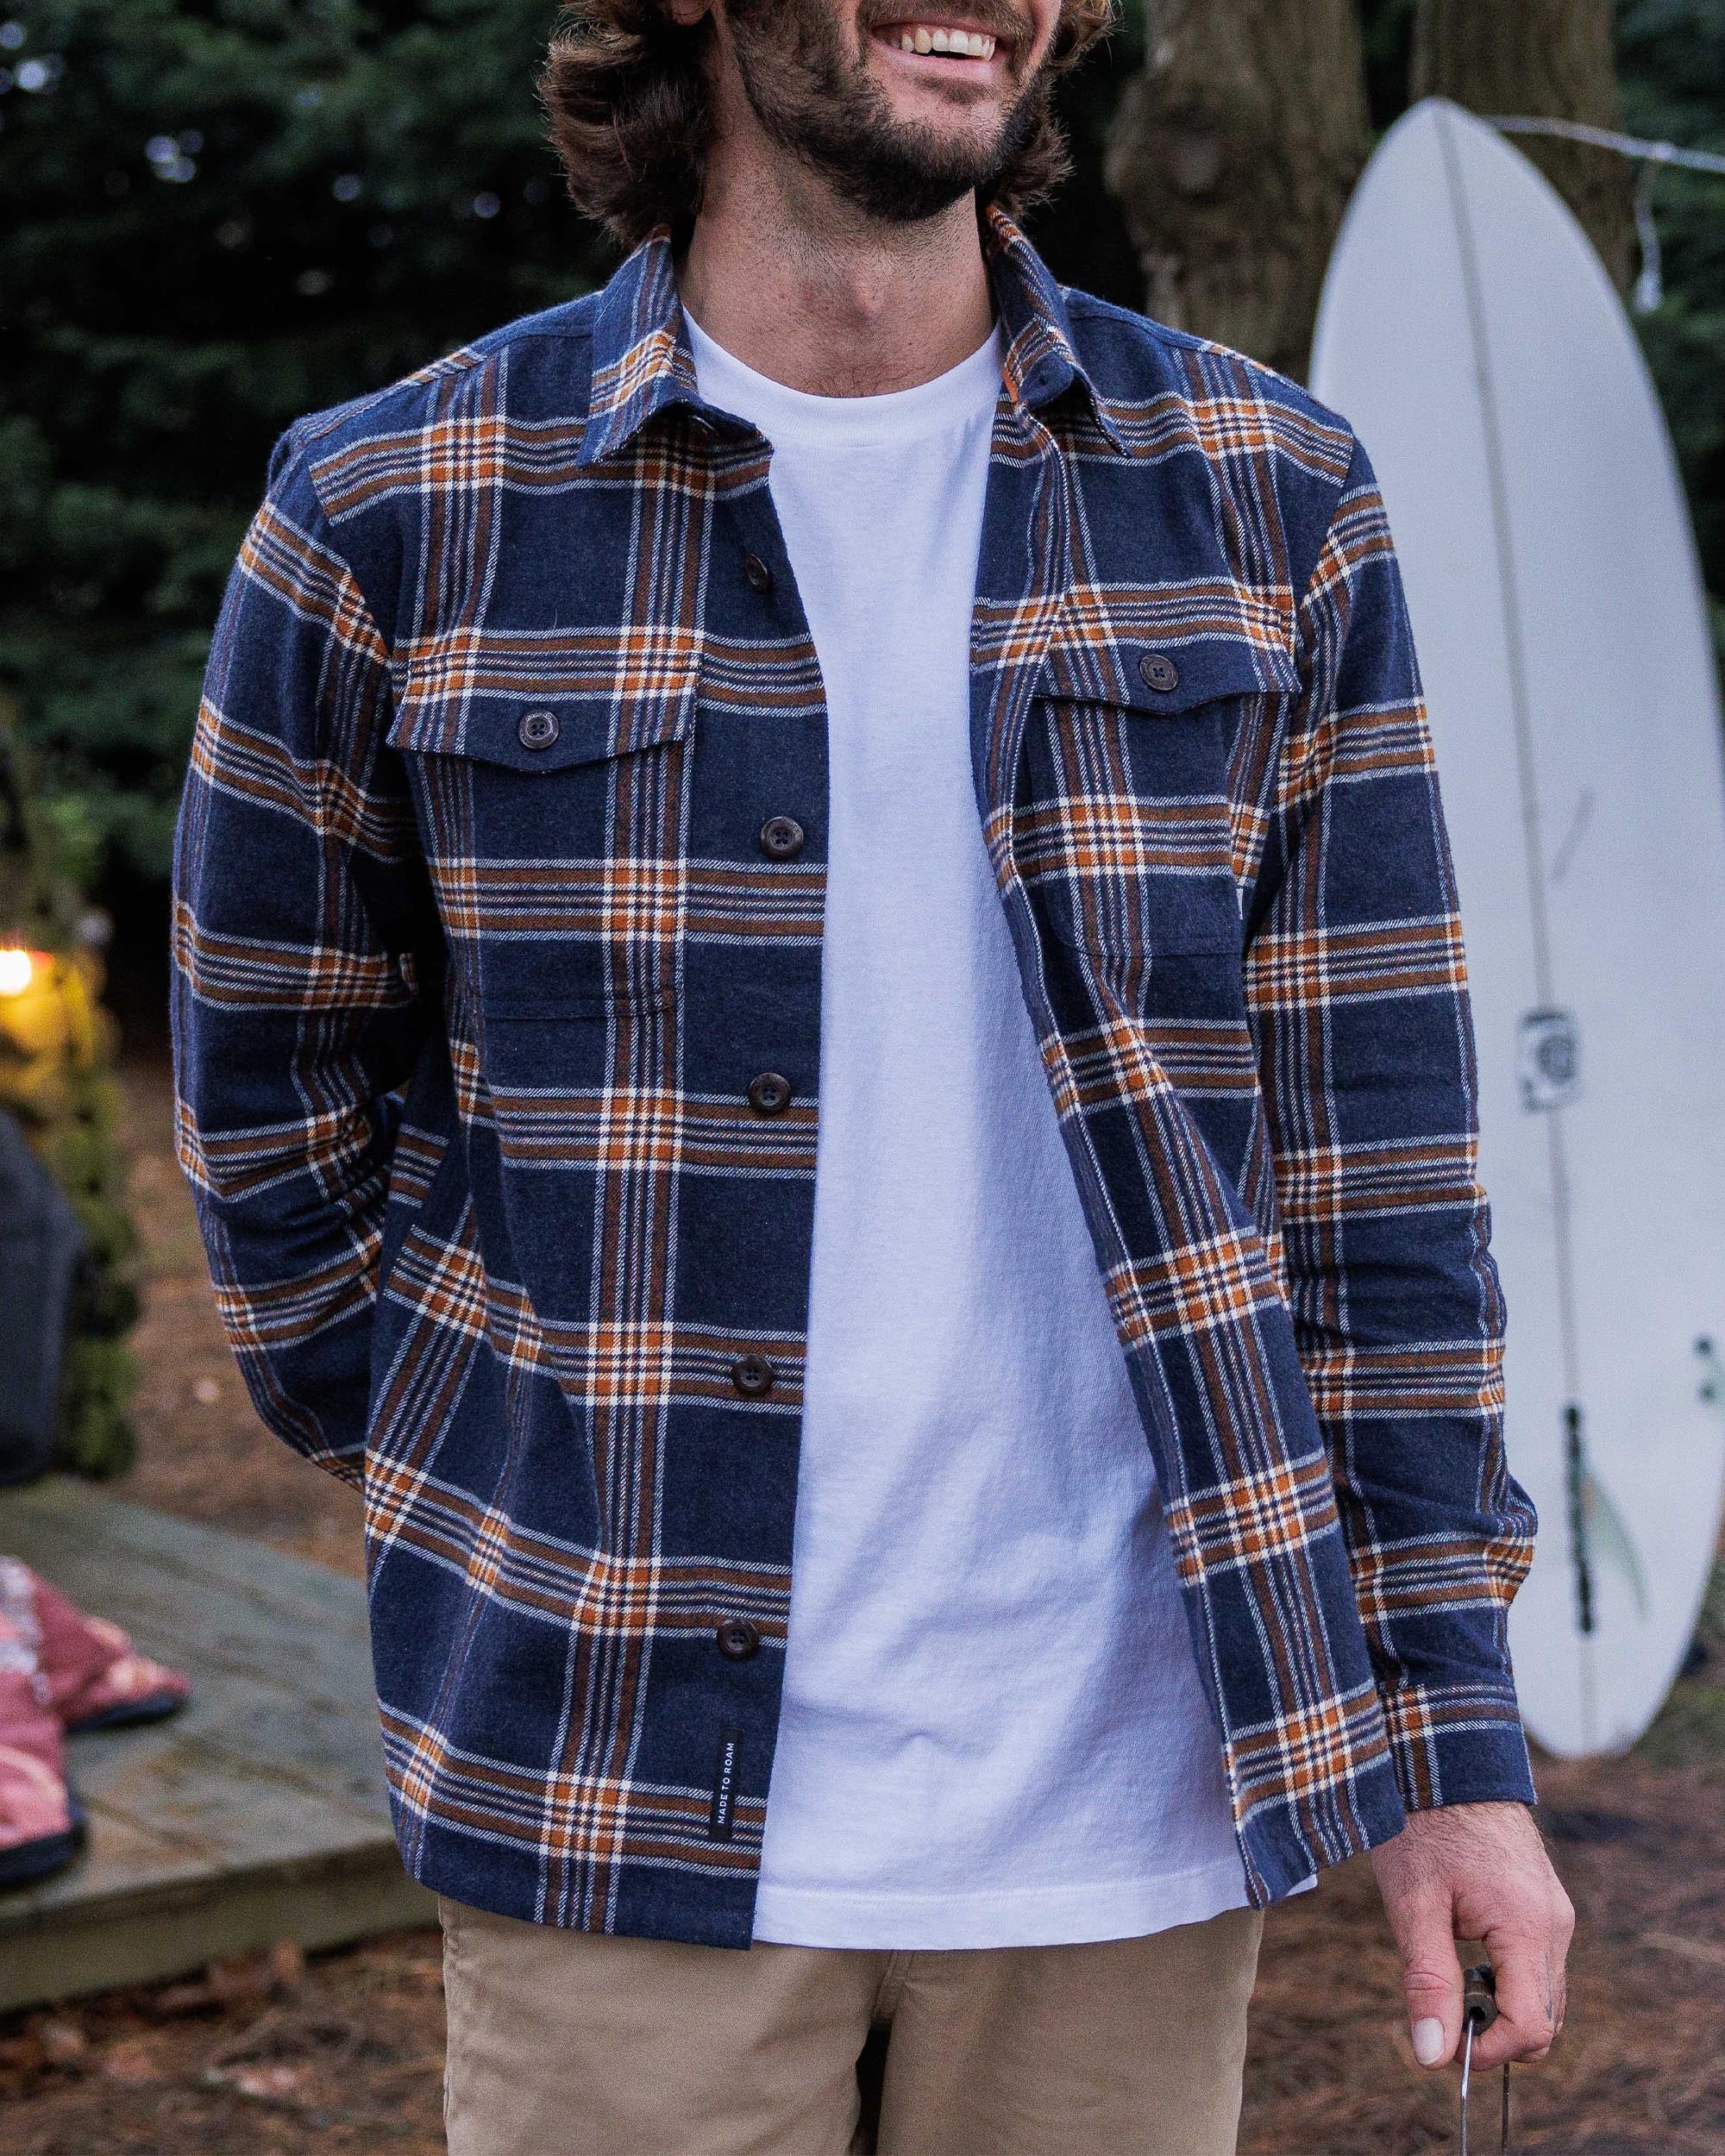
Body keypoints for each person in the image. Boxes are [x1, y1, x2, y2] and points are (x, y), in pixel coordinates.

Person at [170, 3, 1575, 2150]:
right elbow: (270, 1112)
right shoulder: (396, 505)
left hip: (1121, 1816)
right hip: (611, 1782)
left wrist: (1451, 1736)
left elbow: (1376, 1158)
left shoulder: (1265, 492)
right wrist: (504, 1455)